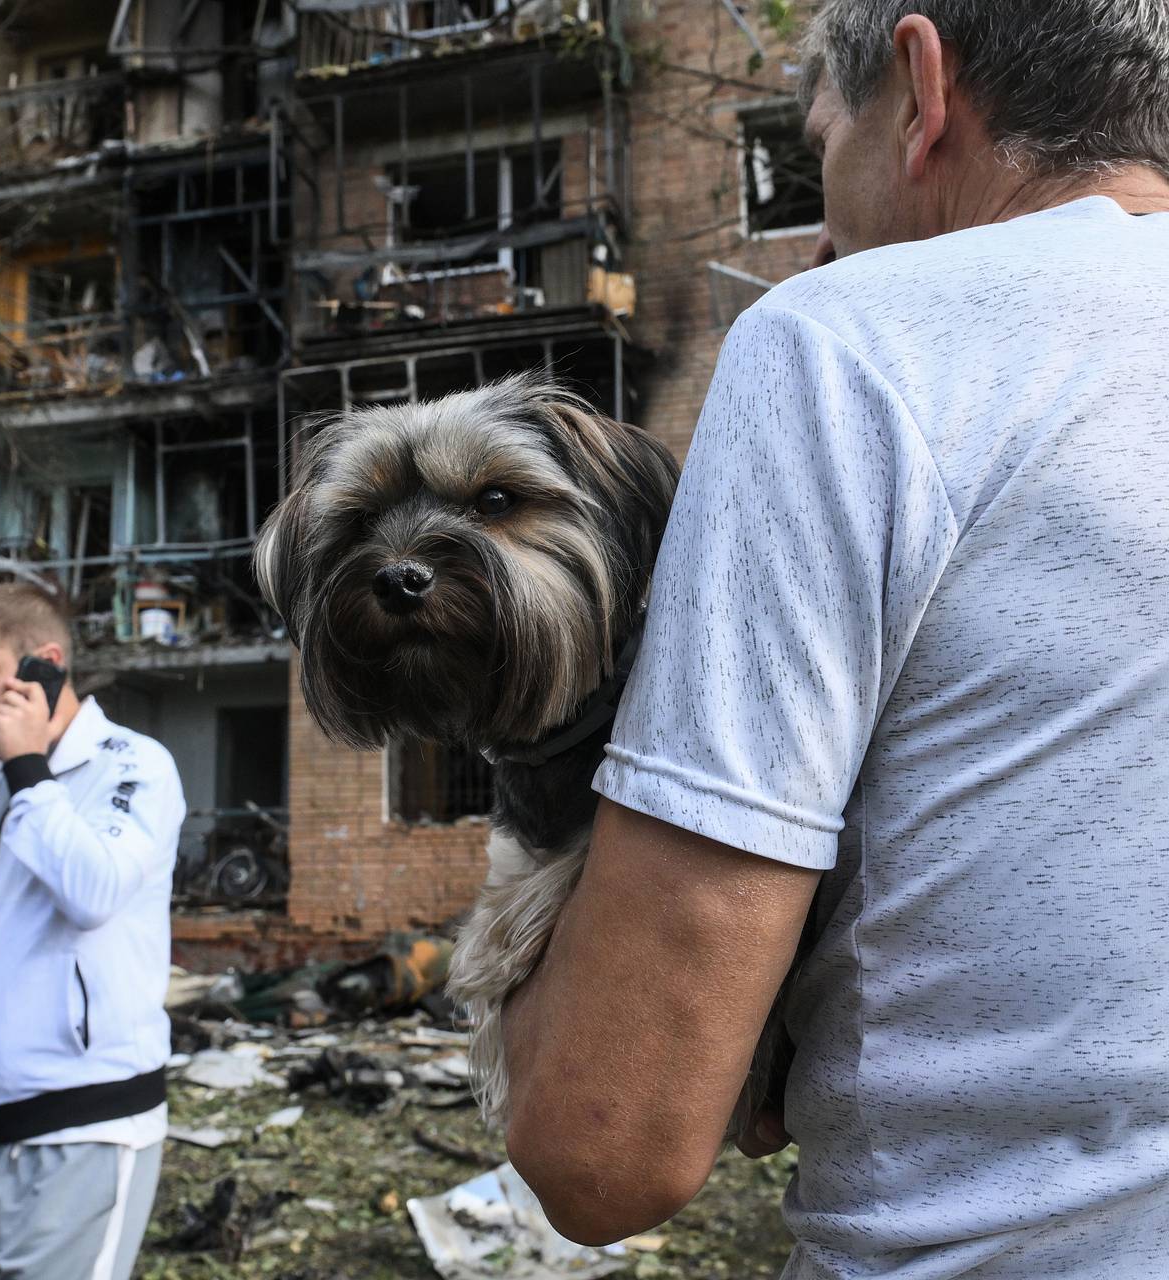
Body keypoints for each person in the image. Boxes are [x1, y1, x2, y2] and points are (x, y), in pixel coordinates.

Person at [498, 2, 1169, 1276]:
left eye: (817, 142)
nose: (817, 233)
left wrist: (535, 801)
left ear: (919, 90)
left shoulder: (849, 336)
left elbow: (603, 1143)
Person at [0, 584, 186, 1279]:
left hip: (85, 1133)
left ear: (42, 666)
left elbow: (93, 892)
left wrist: (29, 768)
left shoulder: (136, 764)